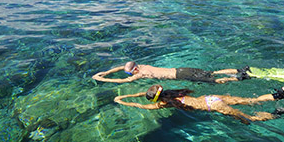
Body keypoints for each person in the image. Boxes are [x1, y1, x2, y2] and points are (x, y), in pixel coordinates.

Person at [113, 84, 284, 124]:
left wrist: (123, 101)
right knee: (251, 101)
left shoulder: (164, 104)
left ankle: (278, 113)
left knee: (248, 118)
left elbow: (142, 106)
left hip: (213, 107)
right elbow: (147, 97)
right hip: (212, 97)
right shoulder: (172, 93)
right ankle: (280, 95)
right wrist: (134, 93)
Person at [93, 61, 250, 84]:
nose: (130, 75)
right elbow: (122, 67)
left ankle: (239, 78)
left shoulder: (142, 73)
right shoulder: (139, 65)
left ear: (134, 70)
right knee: (213, 72)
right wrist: (106, 72)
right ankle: (239, 70)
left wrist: (102, 79)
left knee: (212, 80)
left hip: (181, 75)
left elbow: (123, 81)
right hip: (182, 69)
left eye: (130, 73)